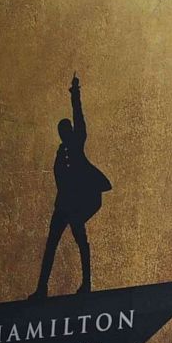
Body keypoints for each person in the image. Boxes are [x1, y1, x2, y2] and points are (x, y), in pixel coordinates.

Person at [32, 75, 113, 299]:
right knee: (51, 246)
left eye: (67, 130)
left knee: (81, 242)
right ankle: (41, 289)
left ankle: (86, 283)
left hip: (76, 204)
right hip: (63, 204)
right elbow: (59, 178)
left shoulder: (77, 144)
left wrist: (75, 94)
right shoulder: (60, 154)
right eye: (62, 131)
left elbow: (79, 117)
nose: (65, 133)